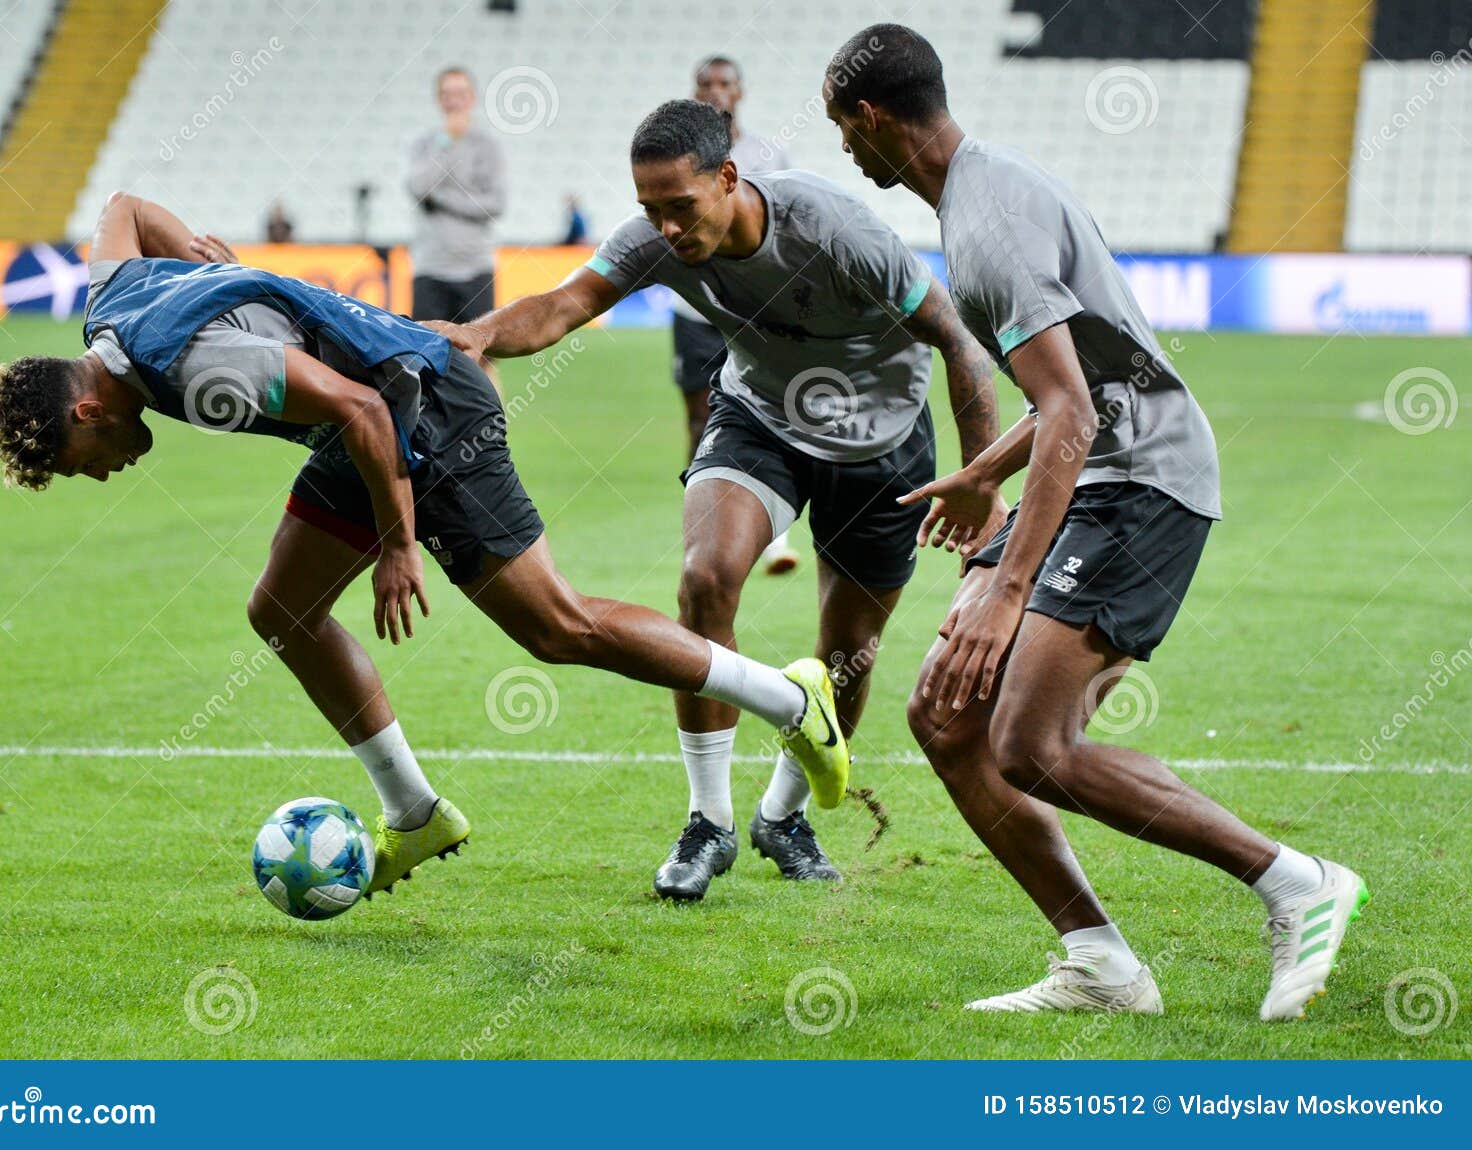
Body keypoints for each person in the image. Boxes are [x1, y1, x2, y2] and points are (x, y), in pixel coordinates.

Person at [0, 191, 852, 902]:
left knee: (557, 627)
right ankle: (414, 811)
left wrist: (400, 546)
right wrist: (215, 265)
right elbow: (127, 206)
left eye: (76, 462)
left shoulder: (199, 367)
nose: (96, 475)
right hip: (365, 425)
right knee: (282, 609)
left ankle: (787, 700)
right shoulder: (111, 301)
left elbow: (361, 410)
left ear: (86, 411)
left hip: (427, 408)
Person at [823, 24, 1367, 1019]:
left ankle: (1297, 879)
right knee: (947, 716)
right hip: (1097, 465)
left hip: (1140, 477)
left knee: (1030, 743)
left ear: (872, 119)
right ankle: (1100, 964)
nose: (847, 157)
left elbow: (1073, 410)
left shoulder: (987, 223)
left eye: (844, 134)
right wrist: (983, 471)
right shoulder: (986, 190)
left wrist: (1006, 595)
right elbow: (1078, 382)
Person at [425, 100, 1001, 901]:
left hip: (884, 446)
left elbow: (960, 341)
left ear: (728, 179)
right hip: (758, 421)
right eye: (649, 210)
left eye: (679, 207)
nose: (664, 227)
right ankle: (709, 824)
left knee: (849, 651)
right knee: (705, 580)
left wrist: (983, 485)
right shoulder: (654, 240)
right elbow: (562, 307)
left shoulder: (836, 230)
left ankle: (784, 817)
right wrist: (479, 333)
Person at [675, 56, 801, 576]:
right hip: (695, 308)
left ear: (740, 93)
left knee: (769, 409)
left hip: (752, 312)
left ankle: (777, 536)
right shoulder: (676, 154)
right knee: (699, 417)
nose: (715, 92)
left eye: (724, 84)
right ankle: (703, 521)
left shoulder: (766, 154)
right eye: (705, 83)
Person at [406, 67, 505, 375]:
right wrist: (446, 142)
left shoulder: (487, 146)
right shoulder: (424, 144)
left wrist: (443, 199)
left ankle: (493, 424)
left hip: (475, 268)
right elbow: (419, 188)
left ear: (472, 98)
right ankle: (431, 425)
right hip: (431, 268)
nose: (454, 101)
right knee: (425, 360)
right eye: (447, 94)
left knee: (482, 363)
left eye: (460, 94)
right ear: (438, 100)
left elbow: (495, 205)